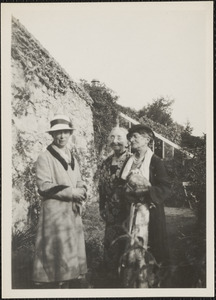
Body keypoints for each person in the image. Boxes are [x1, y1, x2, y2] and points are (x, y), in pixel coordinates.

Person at [32, 114, 87, 288]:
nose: (62, 136)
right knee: (57, 245)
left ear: (70, 133)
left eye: (65, 132)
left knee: (71, 244)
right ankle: (56, 280)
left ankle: (71, 276)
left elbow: (79, 179)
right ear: (52, 135)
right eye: (58, 133)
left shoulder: (72, 156)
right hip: (55, 210)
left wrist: (82, 189)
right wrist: (72, 192)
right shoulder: (45, 157)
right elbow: (44, 185)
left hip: (71, 208)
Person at [121, 124, 171, 266]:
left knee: (150, 247)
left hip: (150, 211)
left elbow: (165, 187)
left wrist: (146, 191)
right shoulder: (129, 161)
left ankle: (149, 280)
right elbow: (122, 183)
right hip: (130, 210)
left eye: (135, 136)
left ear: (146, 139)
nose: (131, 139)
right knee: (130, 243)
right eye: (130, 137)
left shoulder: (155, 162)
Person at [99, 126, 131, 287]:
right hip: (110, 211)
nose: (115, 141)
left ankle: (126, 279)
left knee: (126, 243)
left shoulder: (132, 160)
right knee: (111, 242)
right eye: (112, 137)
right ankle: (110, 277)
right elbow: (101, 188)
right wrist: (101, 207)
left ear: (127, 141)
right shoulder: (105, 162)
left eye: (119, 137)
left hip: (127, 212)